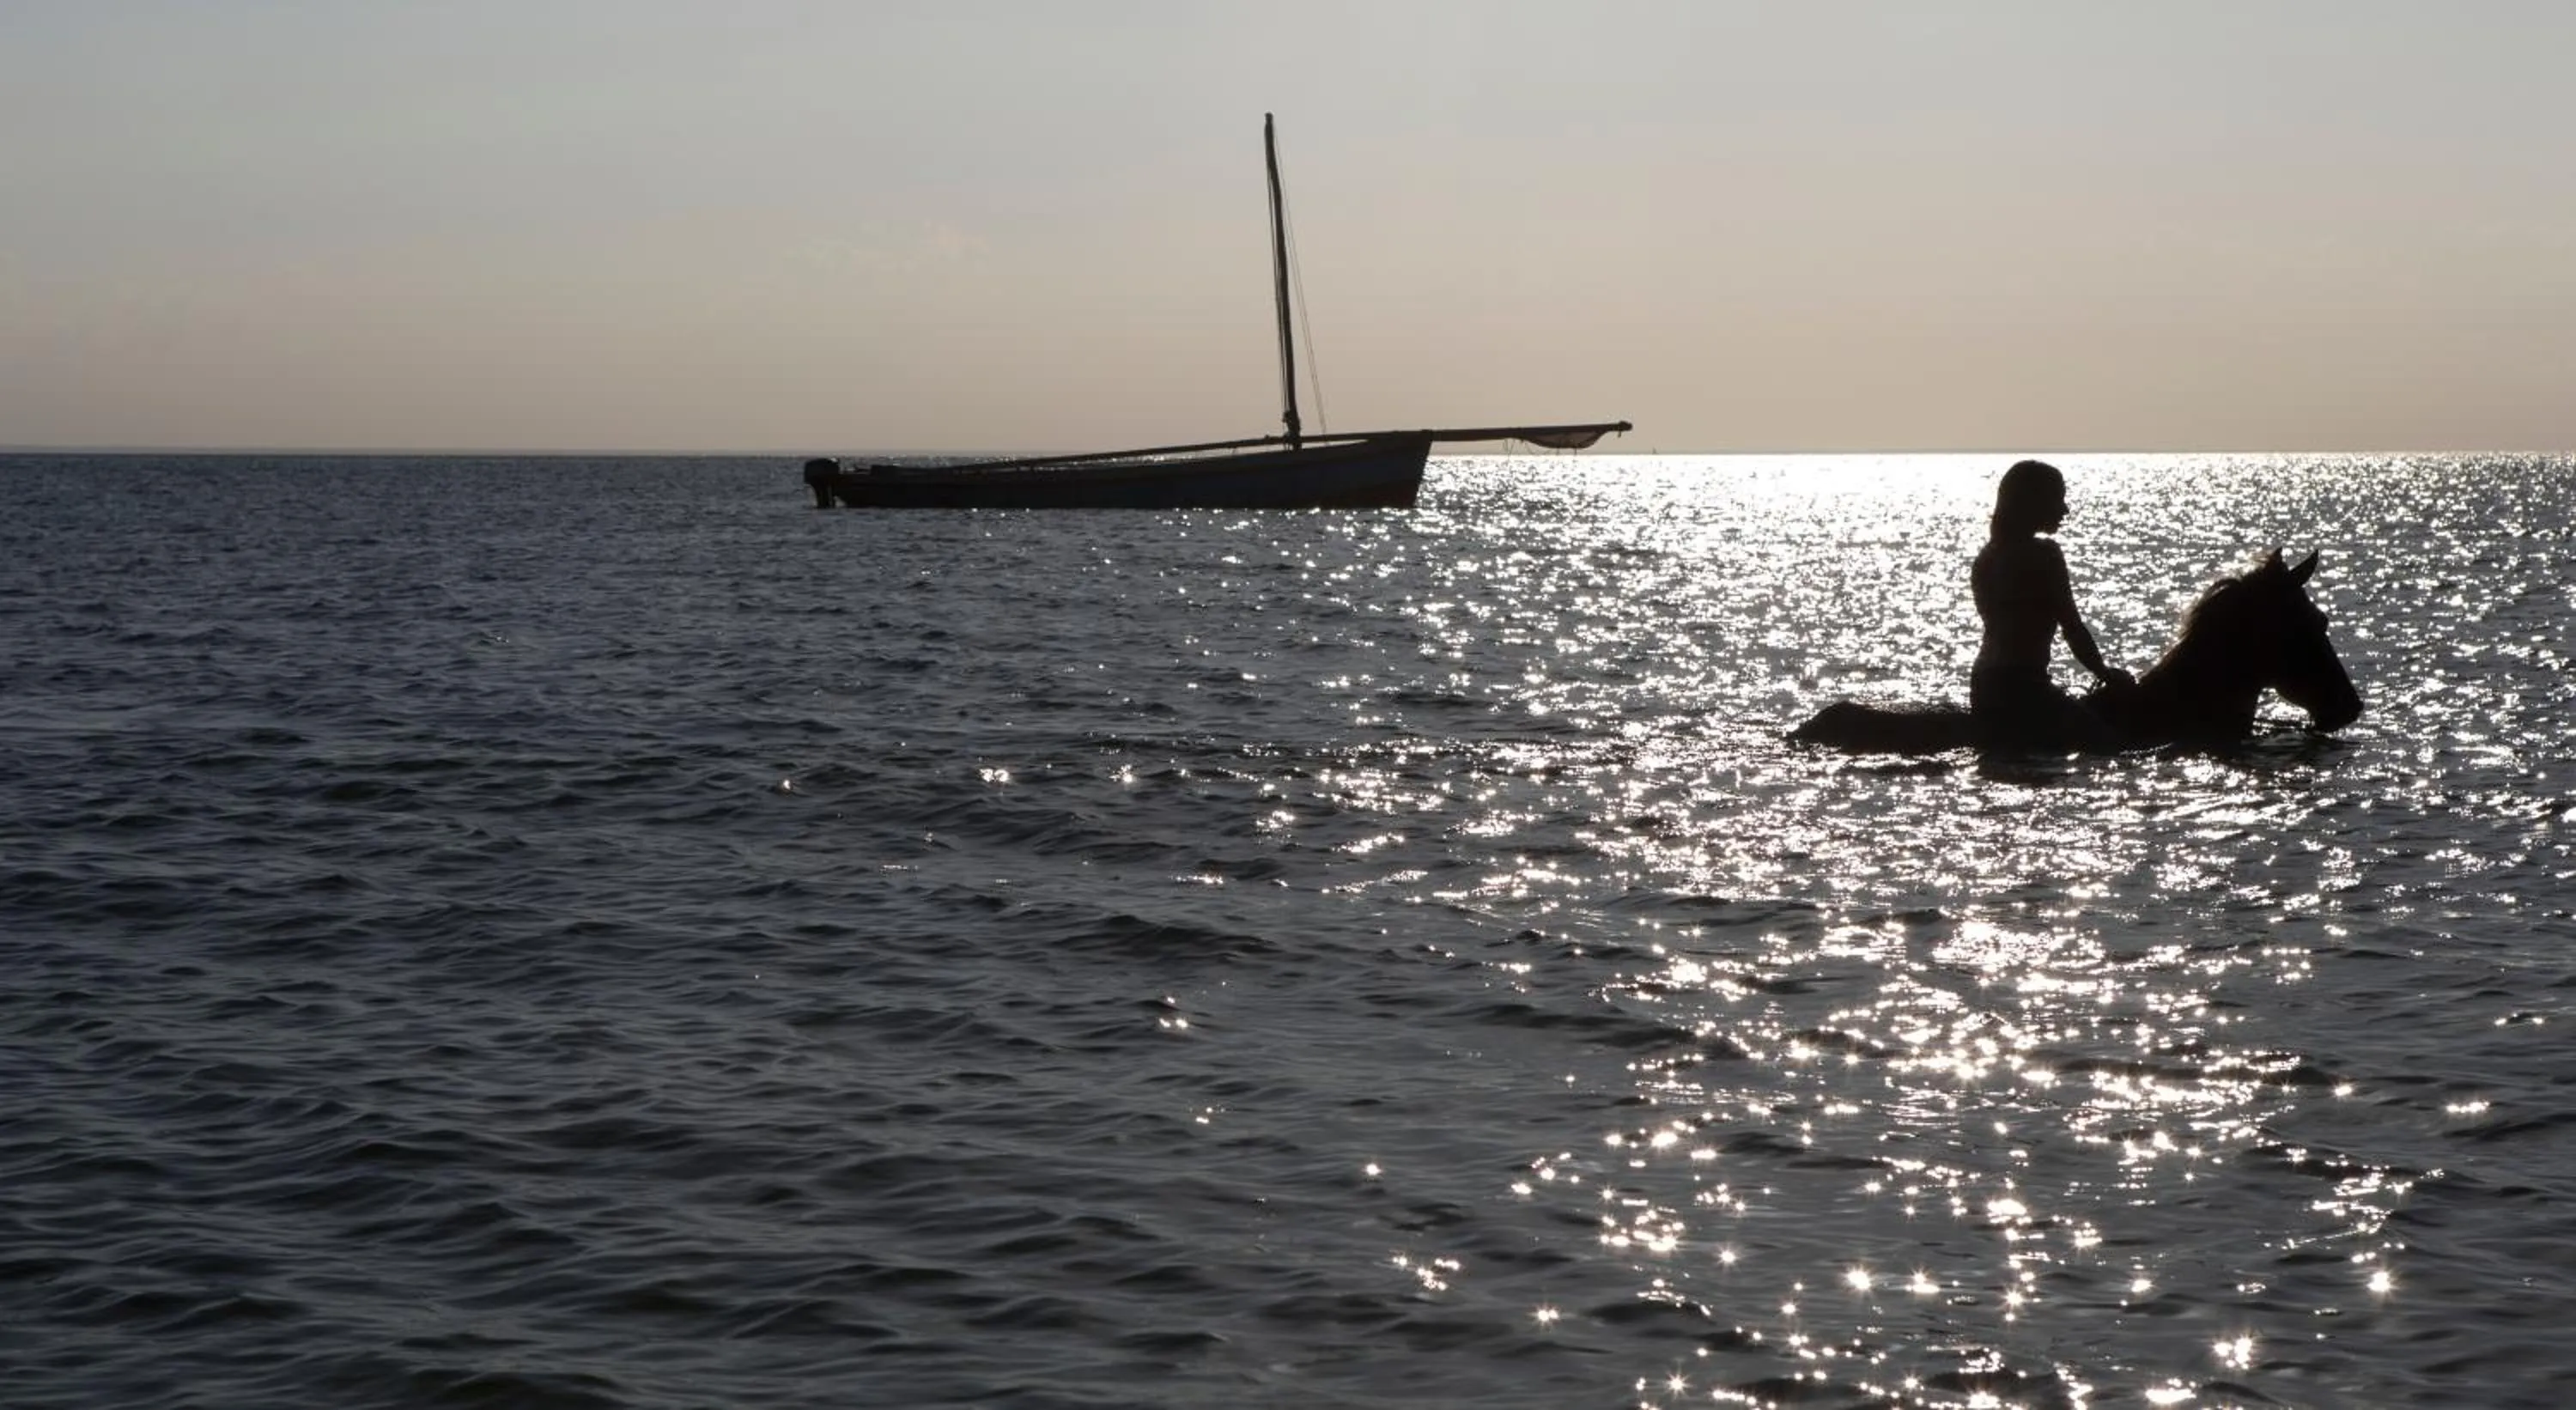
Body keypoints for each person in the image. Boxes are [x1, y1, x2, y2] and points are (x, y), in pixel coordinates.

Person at [1969, 459, 2132, 751]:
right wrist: (2105, 674)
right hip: (2022, 688)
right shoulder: (2044, 555)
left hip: (1983, 685)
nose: (2065, 510)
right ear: (2033, 503)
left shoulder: (1986, 557)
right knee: (2112, 745)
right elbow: (2072, 627)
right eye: (2058, 499)